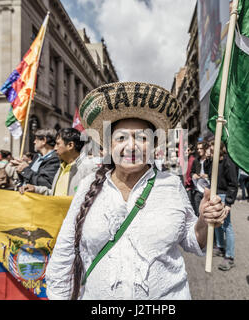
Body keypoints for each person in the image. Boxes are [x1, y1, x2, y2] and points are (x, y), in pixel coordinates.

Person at [45, 82, 229, 300]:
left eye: (142, 138)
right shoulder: (87, 187)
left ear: (152, 145)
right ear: (108, 145)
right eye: (121, 138)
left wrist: (204, 222)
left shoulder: (170, 185)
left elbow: (191, 240)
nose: (131, 146)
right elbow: (64, 254)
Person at [20, 128, 98, 196]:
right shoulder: (62, 167)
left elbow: (90, 199)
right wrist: (36, 189)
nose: (55, 148)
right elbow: (56, 195)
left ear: (70, 145)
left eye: (58, 144)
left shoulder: (89, 168)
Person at [206, 138, 239, 271]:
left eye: (213, 147)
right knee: (216, 224)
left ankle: (230, 256)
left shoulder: (227, 161)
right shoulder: (213, 161)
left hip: (224, 195)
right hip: (214, 194)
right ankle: (220, 246)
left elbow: (233, 183)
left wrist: (229, 202)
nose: (211, 149)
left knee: (226, 225)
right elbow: (209, 175)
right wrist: (208, 160)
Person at [190, 140, 210, 216]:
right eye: (197, 149)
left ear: (205, 148)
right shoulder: (196, 161)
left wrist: (207, 176)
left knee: (207, 213)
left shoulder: (210, 161)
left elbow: (215, 174)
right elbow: (192, 172)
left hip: (208, 190)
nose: (198, 150)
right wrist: (193, 175)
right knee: (198, 212)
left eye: (200, 148)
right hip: (198, 190)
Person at [184, 144, 196, 212]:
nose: (186, 152)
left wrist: (189, 183)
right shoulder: (186, 160)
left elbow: (192, 173)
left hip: (191, 186)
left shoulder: (193, 160)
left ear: (191, 151)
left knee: (191, 205)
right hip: (186, 185)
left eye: (188, 150)